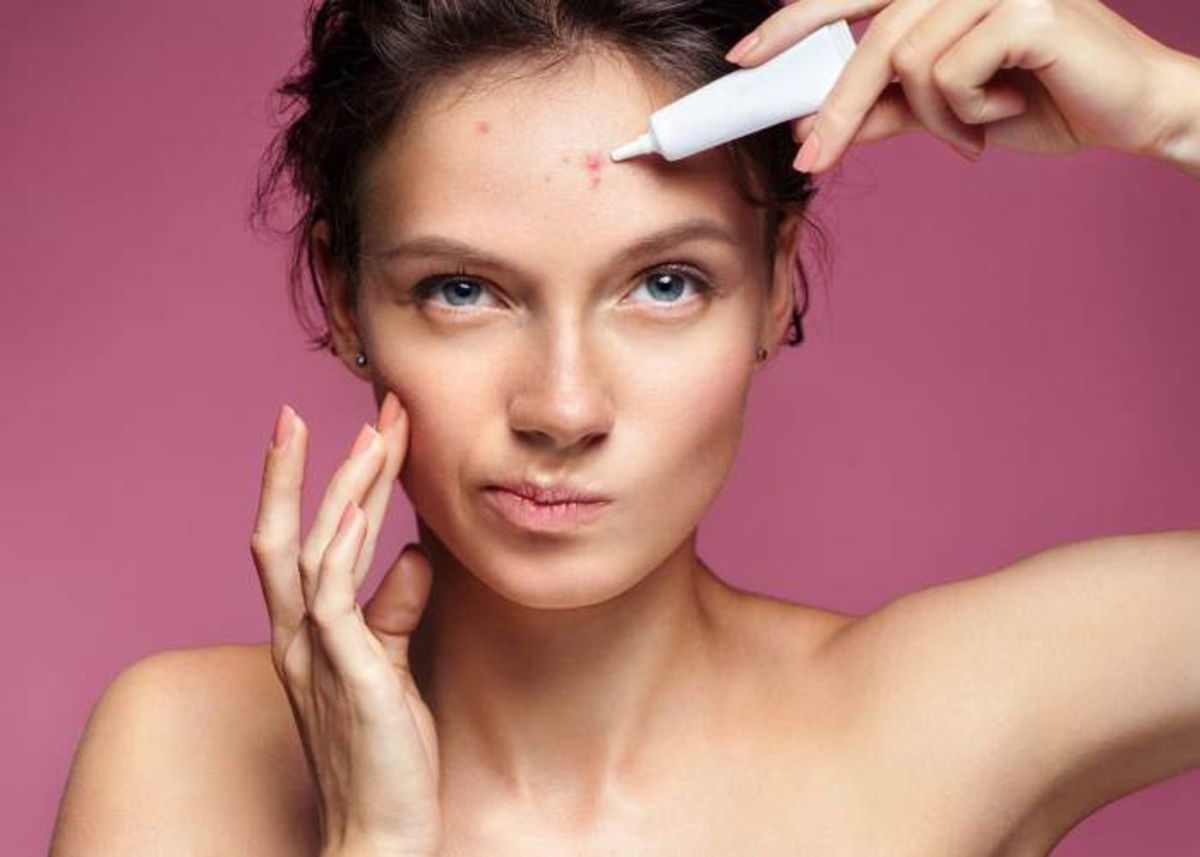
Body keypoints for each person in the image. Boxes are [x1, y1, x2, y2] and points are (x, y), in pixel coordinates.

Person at [49, 0, 1200, 855]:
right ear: (346, 297)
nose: (562, 407)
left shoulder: (954, 711)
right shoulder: (186, 758)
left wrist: (1176, 109)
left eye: (662, 284)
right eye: (463, 289)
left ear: (778, 286)